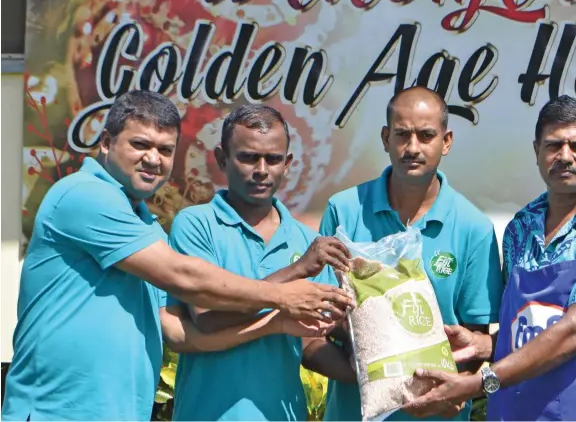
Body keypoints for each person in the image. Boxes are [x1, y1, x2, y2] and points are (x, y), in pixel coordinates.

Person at [1, 91, 351, 422]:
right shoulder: (84, 195)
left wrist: (275, 323)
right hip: (57, 411)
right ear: (106, 143)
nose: (153, 159)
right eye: (140, 144)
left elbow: (180, 334)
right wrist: (284, 292)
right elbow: (186, 279)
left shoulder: (147, 230)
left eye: (165, 150)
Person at [403, 95, 576, 421]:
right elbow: (530, 326)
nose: (565, 156)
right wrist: (483, 345)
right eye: (553, 145)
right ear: (537, 150)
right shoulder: (521, 228)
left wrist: (480, 382)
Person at [159, 104, 356, 421]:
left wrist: (374, 371)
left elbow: (310, 340)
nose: (262, 169)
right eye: (248, 157)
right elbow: (207, 318)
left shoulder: (306, 240)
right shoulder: (197, 225)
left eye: (274, 159)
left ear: (288, 164)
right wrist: (296, 271)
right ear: (222, 159)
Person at [320, 86, 504, 422]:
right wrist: (374, 349)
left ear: (446, 141)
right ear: (385, 138)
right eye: (402, 134)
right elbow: (323, 309)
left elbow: (476, 340)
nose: (413, 147)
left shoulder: (473, 228)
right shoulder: (344, 211)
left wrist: (451, 388)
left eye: (426, 135)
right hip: (354, 411)